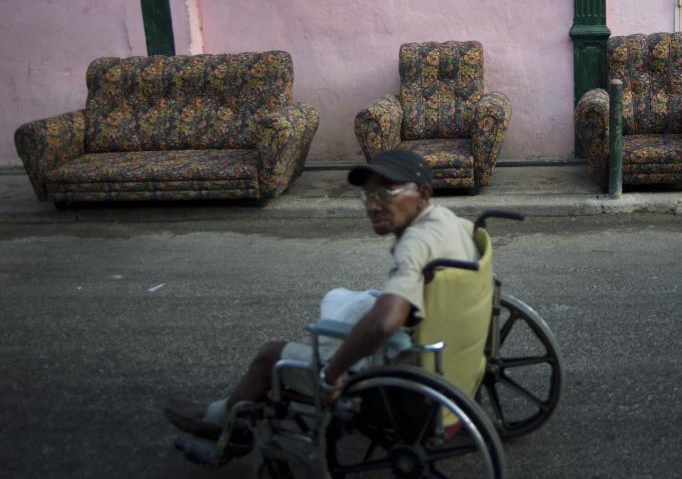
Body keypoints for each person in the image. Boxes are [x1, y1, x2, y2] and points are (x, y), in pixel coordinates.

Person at [164, 148, 479, 442]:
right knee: (341, 299)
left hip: (402, 371)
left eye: (386, 193)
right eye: (368, 195)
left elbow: (384, 324)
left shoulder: (416, 244)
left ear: (422, 195)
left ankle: (223, 424)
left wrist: (332, 374)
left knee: (270, 355)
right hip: (453, 357)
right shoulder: (452, 222)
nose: (373, 205)